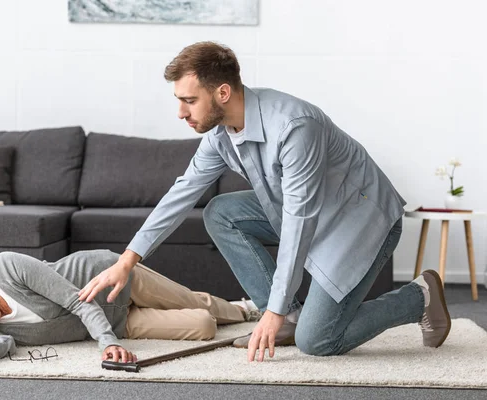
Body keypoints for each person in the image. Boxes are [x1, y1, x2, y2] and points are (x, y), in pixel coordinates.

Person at [79, 41, 451, 362]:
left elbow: (299, 221)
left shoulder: (294, 126)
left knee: (318, 341)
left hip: (359, 220)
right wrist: (127, 261)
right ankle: (290, 317)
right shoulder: (220, 134)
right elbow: (182, 192)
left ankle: (418, 298)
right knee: (220, 212)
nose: (181, 113)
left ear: (222, 93)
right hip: (303, 211)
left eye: (189, 101)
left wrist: (271, 310)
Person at [0, 250, 258, 369]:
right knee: (203, 325)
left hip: (113, 279)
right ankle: (225, 312)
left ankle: (250, 308)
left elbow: (80, 300)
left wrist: (107, 344)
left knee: (195, 302)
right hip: (119, 320)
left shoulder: (3, 267)